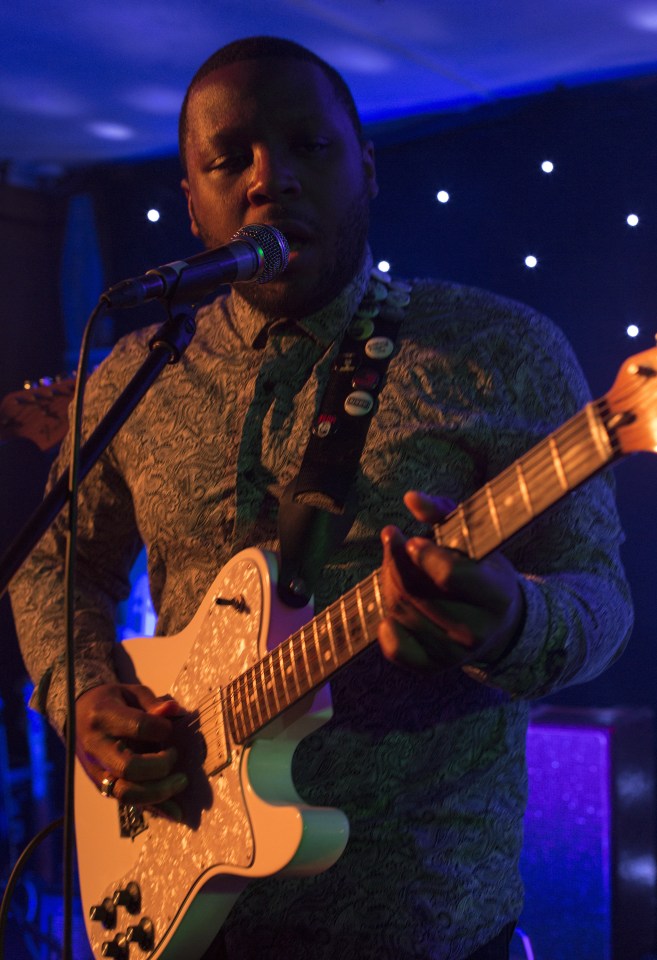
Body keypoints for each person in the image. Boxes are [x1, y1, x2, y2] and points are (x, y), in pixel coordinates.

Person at [10, 35, 632, 960]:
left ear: (367, 170)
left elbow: (597, 595)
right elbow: (55, 562)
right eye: (230, 161)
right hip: (185, 909)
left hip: (423, 919)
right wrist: (86, 693)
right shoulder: (133, 376)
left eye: (310, 147)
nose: (270, 181)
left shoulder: (501, 348)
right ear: (192, 204)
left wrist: (510, 625)